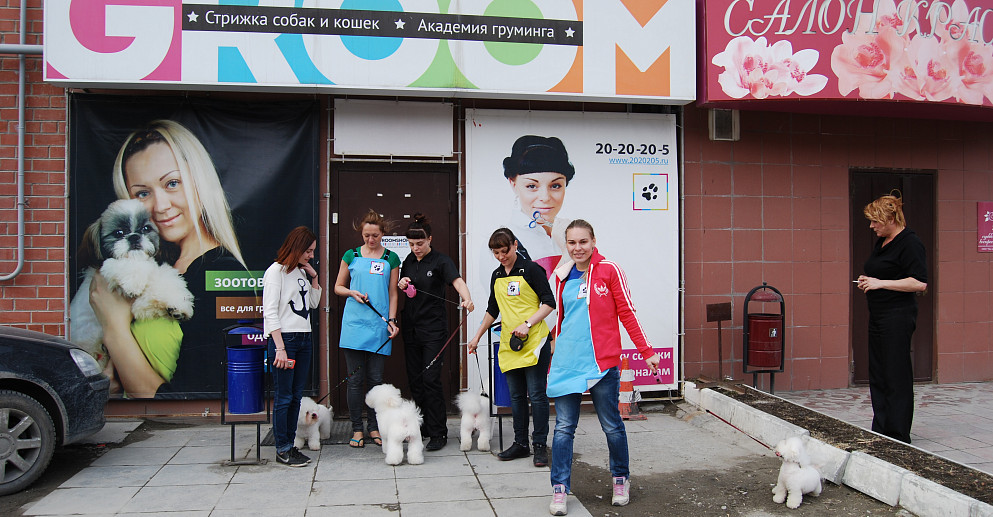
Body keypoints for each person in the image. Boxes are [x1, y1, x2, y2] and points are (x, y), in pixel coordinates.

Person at [86, 120, 247, 398]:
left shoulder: (223, 275)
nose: (160, 206)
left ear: (199, 183)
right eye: (143, 193)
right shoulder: (156, 269)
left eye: (172, 183)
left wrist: (114, 328)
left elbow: (182, 403)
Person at [546, 219, 661, 515]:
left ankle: (620, 479)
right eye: (572, 242)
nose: (578, 248)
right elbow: (562, 319)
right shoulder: (562, 275)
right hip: (567, 363)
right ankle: (559, 488)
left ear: (593, 241)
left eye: (583, 241)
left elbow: (627, 312)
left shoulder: (609, 270)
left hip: (602, 364)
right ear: (566, 245)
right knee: (563, 428)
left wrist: (646, 351)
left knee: (611, 425)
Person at [467, 228, 554, 467]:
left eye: (505, 251)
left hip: (535, 341)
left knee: (536, 395)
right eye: (496, 253)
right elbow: (492, 309)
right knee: (516, 397)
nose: (501, 257)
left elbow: (549, 303)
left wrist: (528, 324)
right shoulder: (496, 275)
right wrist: (476, 336)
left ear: (515, 245)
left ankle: (539, 445)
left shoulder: (532, 269)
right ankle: (520, 444)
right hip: (510, 343)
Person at [397, 214, 475, 451]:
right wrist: (402, 283)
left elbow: (457, 281)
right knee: (416, 380)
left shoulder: (441, 261)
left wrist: (467, 298)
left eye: (420, 243)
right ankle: (422, 428)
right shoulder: (409, 261)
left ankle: (439, 432)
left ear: (430, 239)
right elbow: (403, 284)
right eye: (411, 244)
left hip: (433, 329)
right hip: (411, 327)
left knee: (431, 379)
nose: (416, 248)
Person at [857, 191, 927, 444]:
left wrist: (880, 283)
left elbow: (919, 283)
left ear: (891, 219)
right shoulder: (883, 242)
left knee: (896, 372)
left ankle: (898, 433)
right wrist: (869, 280)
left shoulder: (910, 242)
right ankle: (881, 427)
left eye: (875, 221)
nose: (871, 226)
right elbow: (882, 274)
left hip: (897, 316)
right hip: (878, 315)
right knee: (879, 371)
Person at [334, 210, 400, 448]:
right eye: (366, 236)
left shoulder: (391, 258)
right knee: (354, 380)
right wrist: (351, 292)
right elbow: (338, 287)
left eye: (375, 236)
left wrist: (392, 320)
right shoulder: (351, 255)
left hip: (379, 325)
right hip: (354, 324)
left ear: (383, 234)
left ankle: (374, 427)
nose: (371, 240)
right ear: (361, 234)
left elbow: (393, 293)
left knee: (376, 380)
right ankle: (356, 428)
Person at [263, 226, 321, 467]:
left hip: (304, 338)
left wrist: (314, 278)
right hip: (285, 340)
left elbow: (313, 304)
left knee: (296, 396)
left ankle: (290, 446)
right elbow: (270, 312)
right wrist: (280, 348)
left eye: (312, 251)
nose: (311, 255)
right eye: (308, 251)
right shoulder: (275, 272)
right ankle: (283, 448)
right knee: (284, 396)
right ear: (296, 247)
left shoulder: (300, 272)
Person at [501, 135, 575, 277]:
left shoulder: (570, 231)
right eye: (531, 186)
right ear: (513, 184)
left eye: (555, 185)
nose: (545, 197)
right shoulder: (501, 241)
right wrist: (568, 252)